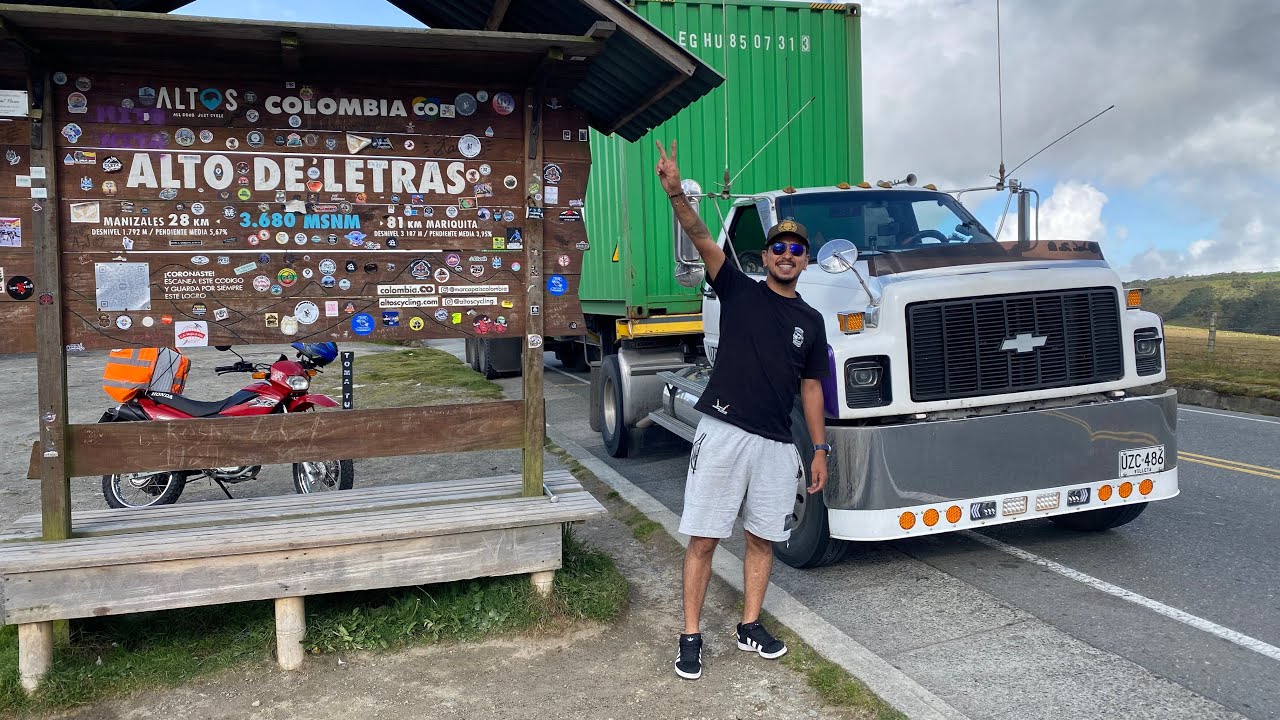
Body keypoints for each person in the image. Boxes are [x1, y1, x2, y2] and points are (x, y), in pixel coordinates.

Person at [655, 140, 830, 681]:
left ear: (806, 260)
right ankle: (690, 635)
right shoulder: (737, 288)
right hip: (725, 432)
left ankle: (749, 625)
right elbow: (703, 236)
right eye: (779, 247)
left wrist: (818, 449)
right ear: (767, 255)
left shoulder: (813, 320)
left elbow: (812, 389)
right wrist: (676, 193)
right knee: (704, 538)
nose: (786, 255)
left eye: (796, 250)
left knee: (762, 538)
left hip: (778, 445)